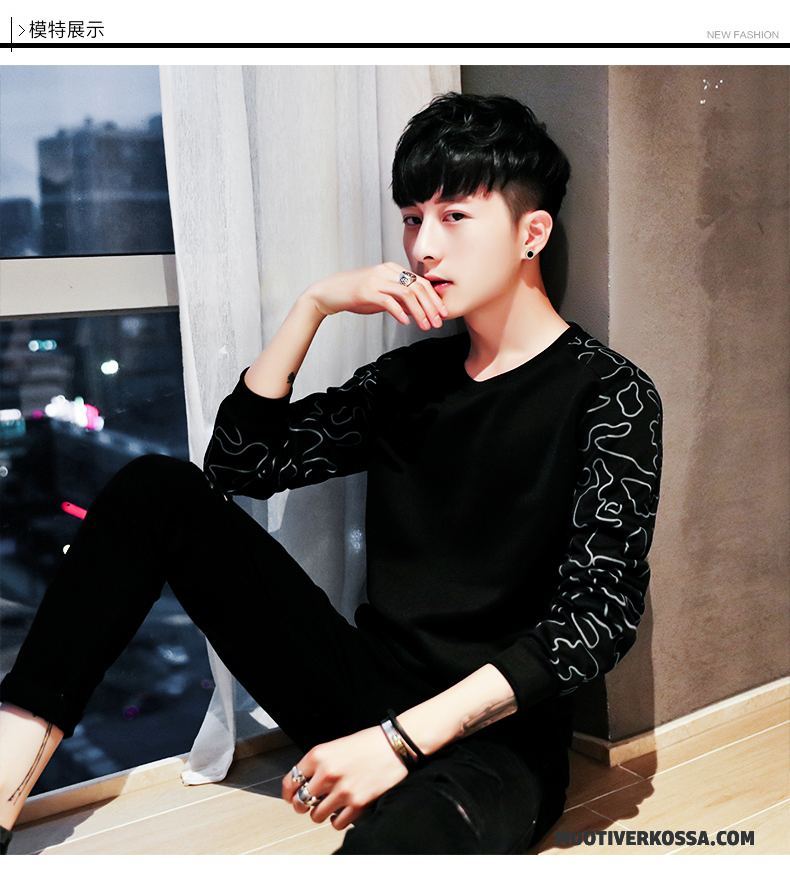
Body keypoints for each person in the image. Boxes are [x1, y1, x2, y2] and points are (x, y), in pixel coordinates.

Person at [0, 91, 663, 855]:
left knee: (409, 839)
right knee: (157, 489)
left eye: (454, 216)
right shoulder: (409, 381)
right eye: (412, 217)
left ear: (531, 233)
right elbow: (239, 463)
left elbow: (597, 618)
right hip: (362, 689)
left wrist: (398, 743)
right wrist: (313, 306)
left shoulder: (610, 394)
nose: (423, 247)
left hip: (492, 739)